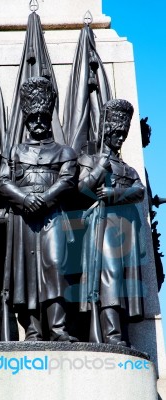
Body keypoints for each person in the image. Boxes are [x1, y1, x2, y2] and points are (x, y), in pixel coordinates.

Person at [0, 77, 78, 341]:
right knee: (26, 273)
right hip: (23, 219)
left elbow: (68, 181)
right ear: (26, 120)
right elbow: (3, 181)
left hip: (53, 216)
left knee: (56, 267)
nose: (38, 122)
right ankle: (32, 330)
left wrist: (43, 199)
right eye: (33, 118)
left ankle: (58, 329)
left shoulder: (65, 152)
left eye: (43, 117)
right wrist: (23, 198)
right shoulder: (15, 151)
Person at [77, 99, 145, 346]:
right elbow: (81, 189)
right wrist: (99, 169)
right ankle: (111, 334)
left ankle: (120, 333)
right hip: (102, 225)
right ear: (106, 132)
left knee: (125, 281)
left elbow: (140, 191)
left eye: (122, 134)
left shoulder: (128, 169)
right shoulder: (89, 160)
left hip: (126, 227)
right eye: (115, 133)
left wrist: (115, 194)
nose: (119, 138)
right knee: (110, 277)